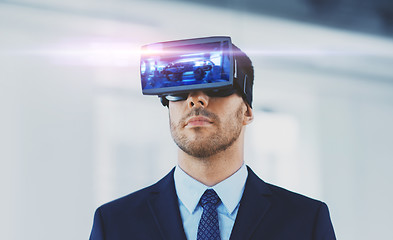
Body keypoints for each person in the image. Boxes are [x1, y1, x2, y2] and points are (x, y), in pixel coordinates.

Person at [89, 41, 336, 240]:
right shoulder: (115, 224)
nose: (196, 99)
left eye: (217, 87)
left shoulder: (305, 221)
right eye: (179, 89)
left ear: (247, 111)